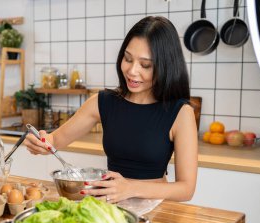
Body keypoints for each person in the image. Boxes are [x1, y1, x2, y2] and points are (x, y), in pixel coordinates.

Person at [24, 16, 198, 203]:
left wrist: (130, 188)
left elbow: (186, 189)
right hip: (108, 205)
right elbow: (55, 140)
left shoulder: (180, 113)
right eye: (128, 58)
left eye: (145, 65)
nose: (132, 71)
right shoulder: (103, 102)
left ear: (165, 66)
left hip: (153, 208)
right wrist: (41, 143)